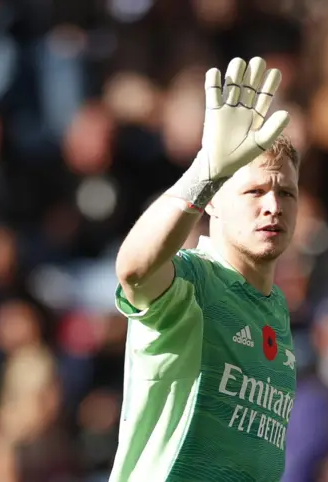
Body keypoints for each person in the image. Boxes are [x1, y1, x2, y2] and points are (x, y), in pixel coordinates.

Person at [109, 56, 299, 482]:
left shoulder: (276, 310)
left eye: (287, 193)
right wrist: (206, 172)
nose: (273, 205)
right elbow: (135, 271)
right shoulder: (193, 281)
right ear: (213, 201)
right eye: (255, 190)